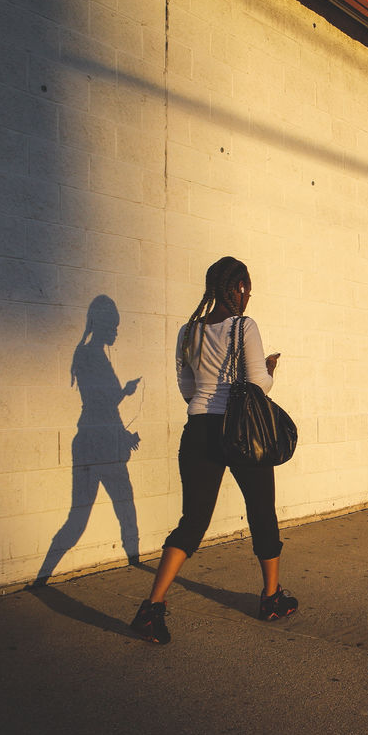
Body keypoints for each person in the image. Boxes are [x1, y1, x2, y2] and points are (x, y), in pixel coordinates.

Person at [130, 257, 298, 644]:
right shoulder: (244, 327)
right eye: (247, 287)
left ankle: (152, 607)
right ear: (237, 288)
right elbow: (258, 385)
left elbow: (187, 387)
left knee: (193, 521)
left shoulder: (188, 332)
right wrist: (270, 368)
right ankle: (271, 598)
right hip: (240, 432)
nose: (249, 294)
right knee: (261, 512)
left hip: (199, 430)